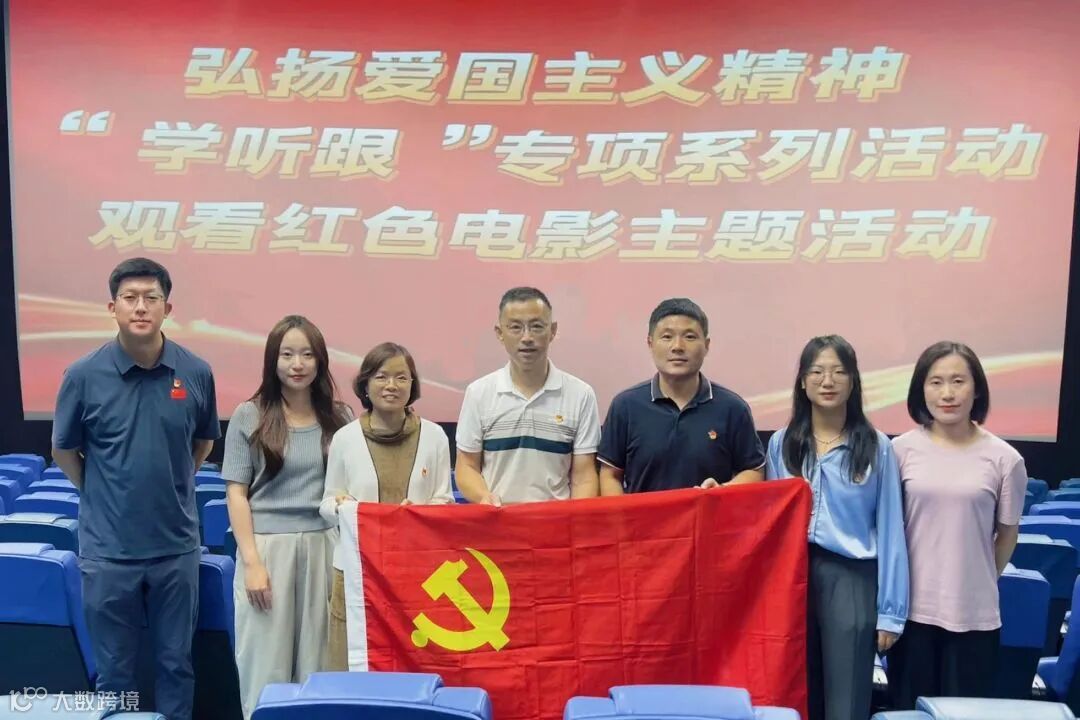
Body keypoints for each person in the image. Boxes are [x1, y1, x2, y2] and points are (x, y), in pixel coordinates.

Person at [51, 258, 219, 720]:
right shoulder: (83, 375)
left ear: (168, 308)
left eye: (151, 298)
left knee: (176, 665)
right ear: (113, 307)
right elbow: (64, 449)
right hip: (107, 551)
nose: (141, 307)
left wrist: (173, 481)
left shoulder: (196, 371)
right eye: (130, 298)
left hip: (175, 548)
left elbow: (203, 442)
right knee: (114, 672)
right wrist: (99, 491)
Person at [765, 335, 908, 720]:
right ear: (802, 382)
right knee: (796, 690)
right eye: (817, 372)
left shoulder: (876, 446)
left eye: (838, 372)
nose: (827, 381)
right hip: (794, 577)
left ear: (853, 381)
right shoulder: (782, 443)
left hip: (851, 577)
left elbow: (891, 530)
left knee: (846, 698)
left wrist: (891, 612)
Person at [221, 315, 352, 719]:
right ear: (272, 361)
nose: (298, 364)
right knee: (265, 664)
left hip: (325, 546)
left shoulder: (341, 417)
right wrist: (252, 563)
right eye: (287, 354)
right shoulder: (250, 414)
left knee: (321, 664)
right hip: (267, 550)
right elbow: (236, 493)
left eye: (307, 355)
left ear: (321, 361)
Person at [886, 341, 1027, 708]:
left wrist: (976, 578)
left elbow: (1007, 534)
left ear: (976, 388)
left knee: (964, 712)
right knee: (908, 711)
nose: (947, 393)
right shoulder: (898, 451)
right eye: (935, 382)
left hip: (975, 617)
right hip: (911, 613)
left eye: (958, 381)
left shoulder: (1005, 459)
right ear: (921, 390)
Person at [320, 342, 453, 670]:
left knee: (412, 661)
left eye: (401, 377)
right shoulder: (345, 438)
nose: (391, 385)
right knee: (354, 662)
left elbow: (445, 500)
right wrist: (341, 507)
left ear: (413, 385)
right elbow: (326, 502)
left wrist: (419, 513)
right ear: (365, 384)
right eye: (381, 377)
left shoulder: (435, 436)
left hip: (417, 571)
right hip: (357, 570)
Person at [598, 297, 764, 495]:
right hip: (645, 517)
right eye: (667, 337)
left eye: (690, 337)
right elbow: (610, 475)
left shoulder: (733, 408)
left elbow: (754, 471)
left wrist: (722, 491)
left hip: (709, 516)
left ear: (707, 345)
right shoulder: (625, 406)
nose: (677, 346)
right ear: (650, 343)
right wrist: (624, 513)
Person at [455, 287, 600, 505]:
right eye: (515, 327)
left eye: (536, 326)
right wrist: (484, 496)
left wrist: (575, 516)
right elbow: (466, 466)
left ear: (552, 331)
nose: (527, 337)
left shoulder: (581, 395)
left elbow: (584, 476)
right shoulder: (478, 393)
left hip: (555, 522)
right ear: (499, 333)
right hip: (497, 519)